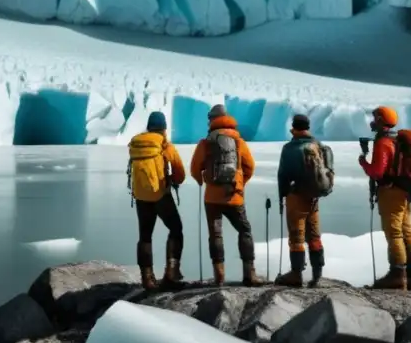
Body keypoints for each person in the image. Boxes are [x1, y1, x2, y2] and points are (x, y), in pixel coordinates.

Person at [190, 104, 266, 287]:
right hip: (234, 196)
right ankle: (249, 274)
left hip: (212, 198)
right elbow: (250, 166)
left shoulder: (206, 142)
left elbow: (194, 168)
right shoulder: (238, 141)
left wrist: (202, 181)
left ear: (212, 120)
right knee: (244, 230)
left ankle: (219, 276)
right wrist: (240, 182)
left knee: (216, 234)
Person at [358, 105, 411, 291]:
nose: (372, 121)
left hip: (390, 192)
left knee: (394, 233)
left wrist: (363, 162)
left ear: (380, 120)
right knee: (407, 231)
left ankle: (396, 275)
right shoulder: (397, 140)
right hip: (404, 192)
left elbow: (377, 172)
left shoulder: (383, 143)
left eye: (375, 117)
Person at [127, 111, 186, 290]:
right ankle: (171, 273)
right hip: (161, 194)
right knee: (176, 229)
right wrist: (172, 181)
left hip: (140, 196)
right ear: (164, 127)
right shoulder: (164, 145)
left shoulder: (136, 144)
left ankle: (147, 279)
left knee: (145, 236)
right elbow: (180, 174)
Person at [274, 114, 331, 287]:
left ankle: (296, 274)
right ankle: (317, 274)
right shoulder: (319, 146)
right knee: (314, 235)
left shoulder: (290, 148)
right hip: (313, 197)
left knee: (297, 236)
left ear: (294, 127)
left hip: (296, 196)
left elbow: (283, 174)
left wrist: (282, 195)